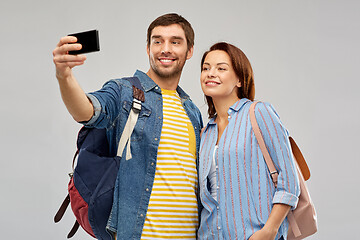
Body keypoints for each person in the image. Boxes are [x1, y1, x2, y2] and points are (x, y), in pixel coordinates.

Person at [53, 13, 203, 240]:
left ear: (189, 51)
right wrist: (64, 76)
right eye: (158, 41)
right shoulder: (123, 92)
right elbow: (87, 110)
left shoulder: (192, 111)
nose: (165, 49)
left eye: (175, 41)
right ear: (148, 48)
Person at [197, 42, 300, 240]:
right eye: (205, 68)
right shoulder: (205, 133)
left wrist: (268, 232)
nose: (210, 73)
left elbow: (289, 181)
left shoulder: (259, 113)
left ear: (239, 80)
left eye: (221, 68)